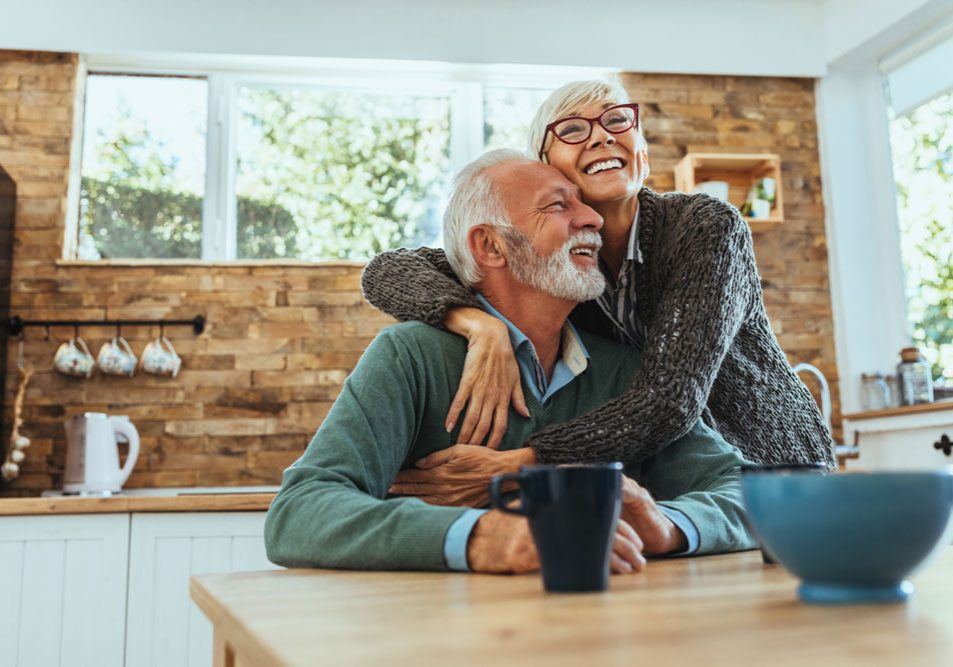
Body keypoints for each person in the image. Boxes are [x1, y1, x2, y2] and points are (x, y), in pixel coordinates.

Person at [264, 150, 755, 573]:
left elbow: (747, 492)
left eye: (583, 204)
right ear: (491, 246)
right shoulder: (411, 356)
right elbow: (300, 512)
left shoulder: (624, 371)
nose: (593, 219)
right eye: (559, 206)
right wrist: (486, 537)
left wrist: (667, 526)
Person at [361, 79, 833, 507]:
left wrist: (522, 462)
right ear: (548, 170)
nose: (602, 136)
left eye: (616, 120)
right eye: (571, 129)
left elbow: (668, 400)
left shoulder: (706, 228)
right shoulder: (552, 262)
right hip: (671, 487)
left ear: (641, 153)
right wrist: (477, 324)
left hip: (771, 468)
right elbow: (389, 270)